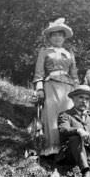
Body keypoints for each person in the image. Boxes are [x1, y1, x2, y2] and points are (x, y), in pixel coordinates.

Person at [32, 18, 79, 157]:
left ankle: (69, 148)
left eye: (60, 35)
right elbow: (39, 73)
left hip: (68, 88)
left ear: (64, 38)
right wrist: (39, 89)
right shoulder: (45, 52)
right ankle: (52, 148)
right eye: (54, 35)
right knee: (52, 115)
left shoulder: (69, 53)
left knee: (67, 115)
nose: (58, 38)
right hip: (51, 86)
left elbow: (74, 74)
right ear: (50, 37)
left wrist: (77, 90)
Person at [57, 85, 90, 177]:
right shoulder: (65, 115)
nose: (84, 101)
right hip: (70, 154)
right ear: (73, 99)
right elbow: (63, 129)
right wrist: (78, 130)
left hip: (89, 155)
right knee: (76, 138)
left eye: (87, 99)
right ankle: (86, 171)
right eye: (81, 97)